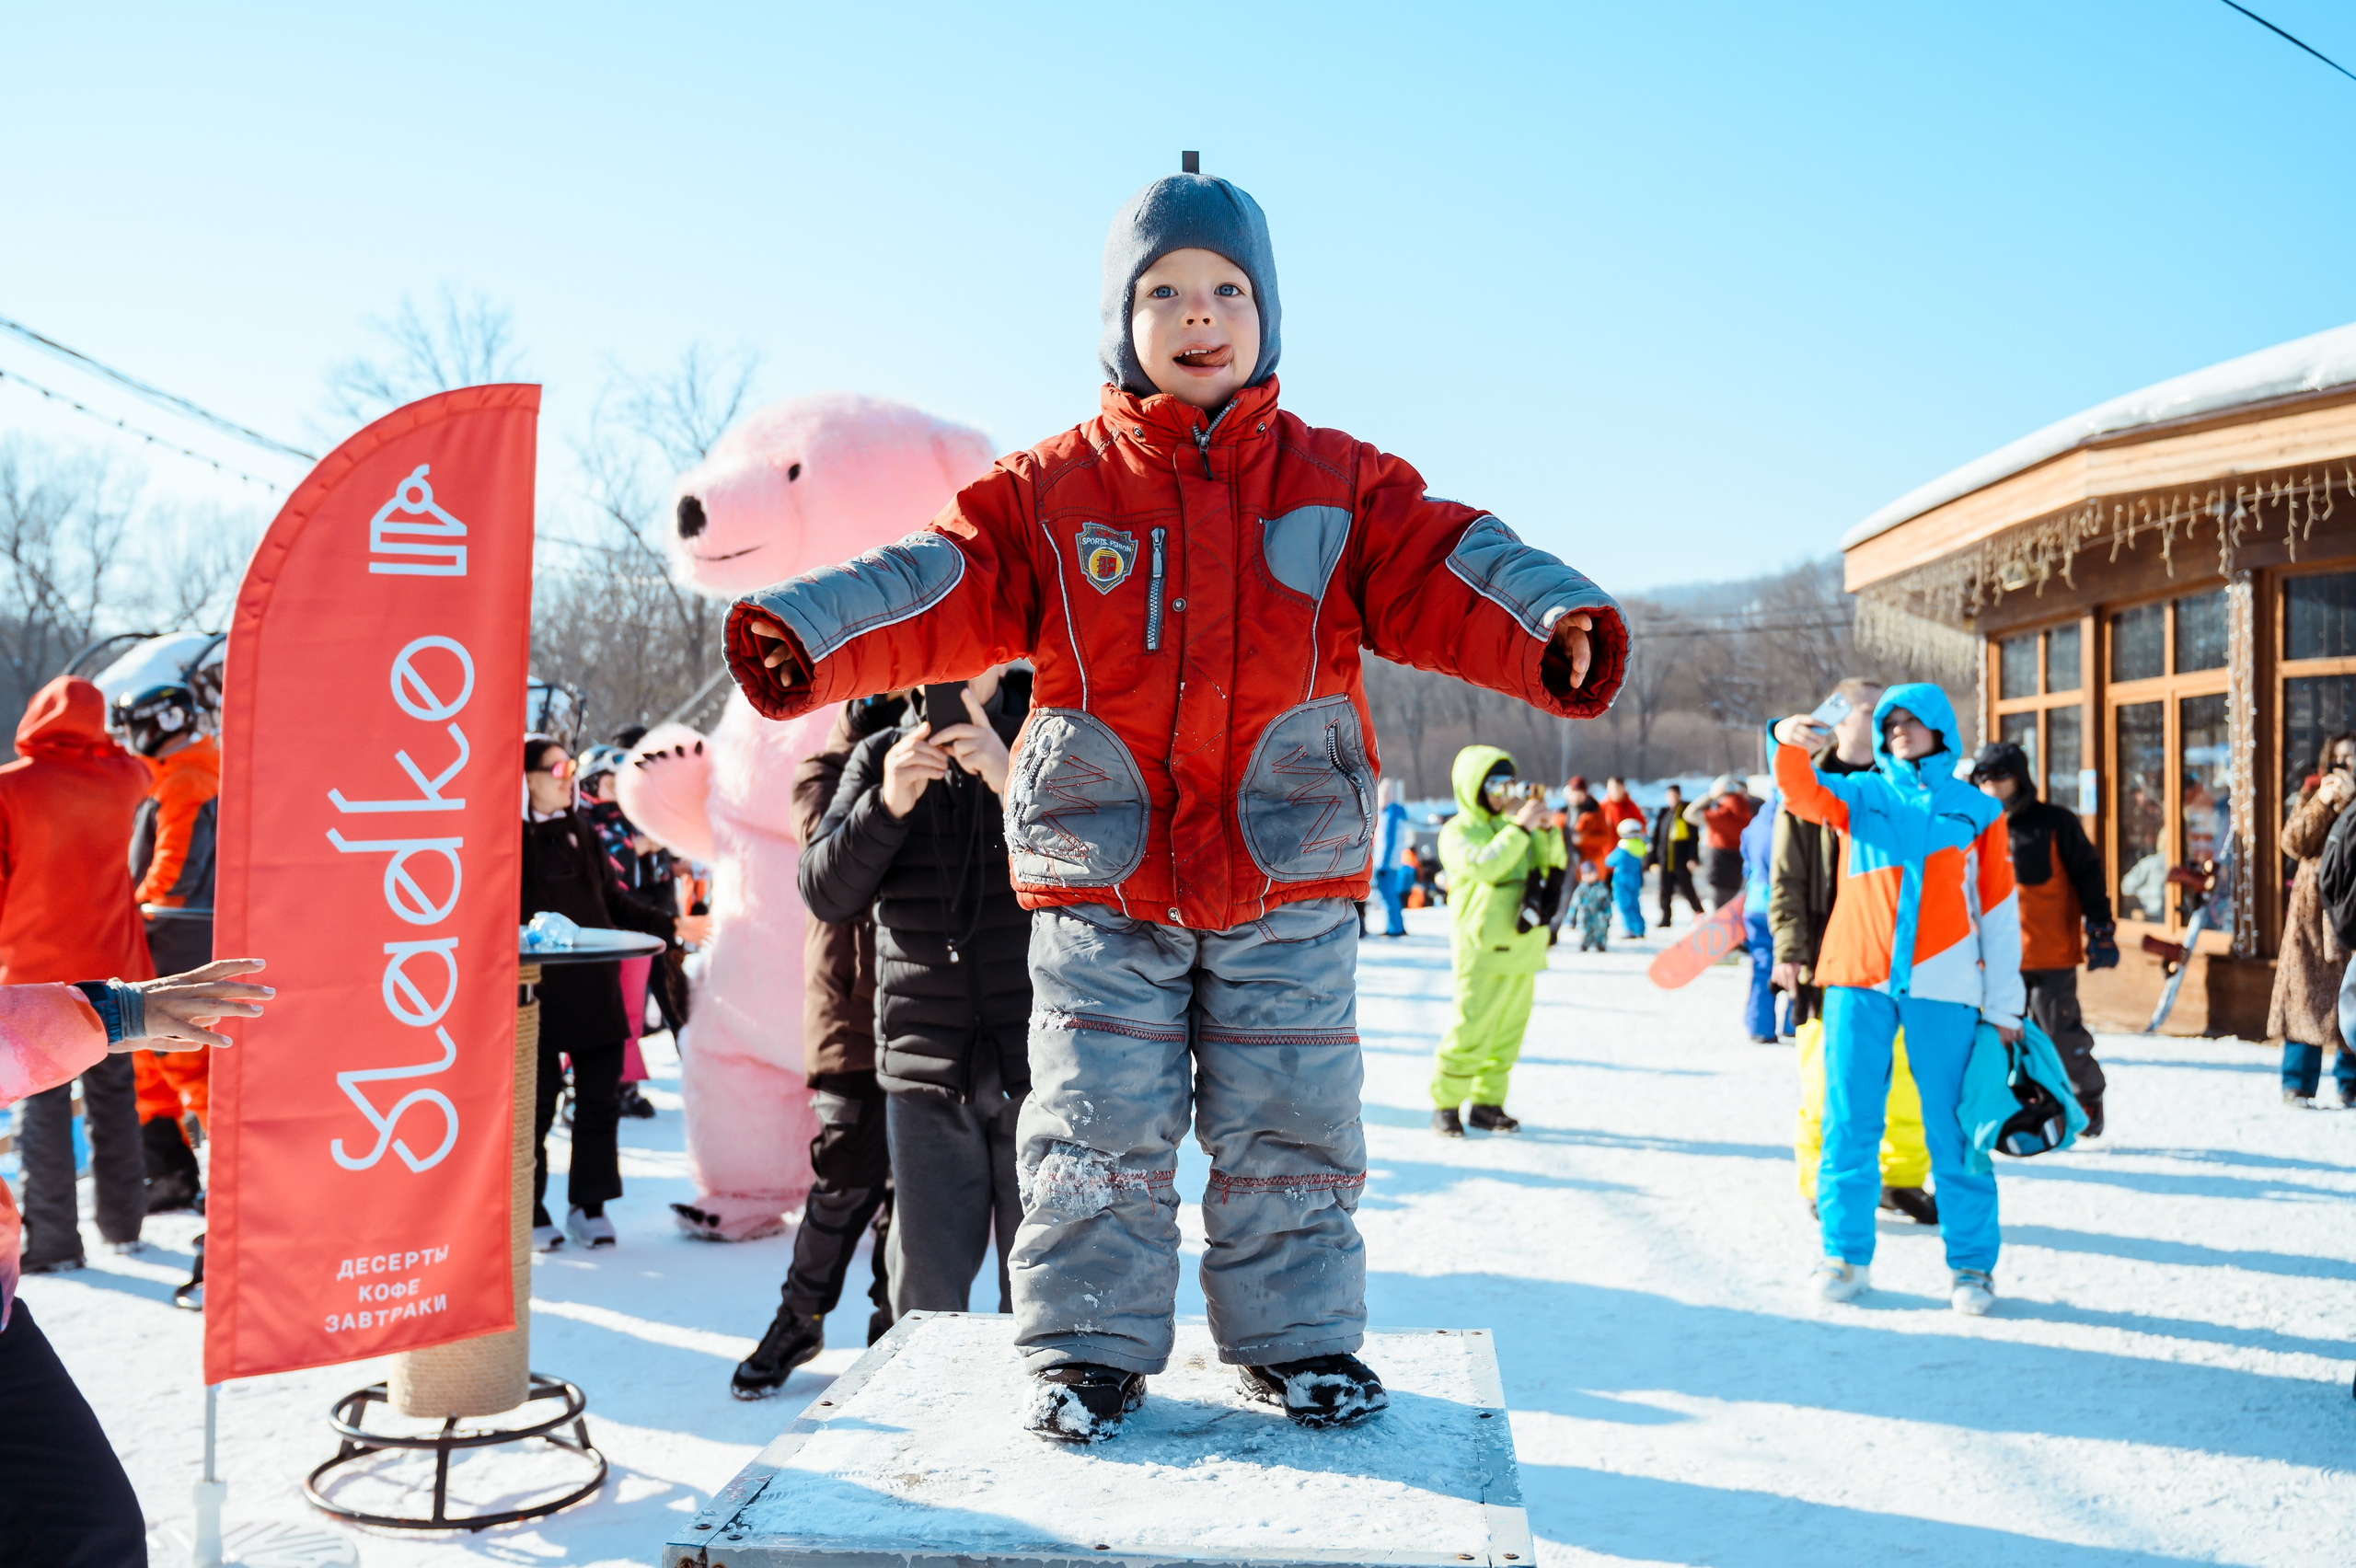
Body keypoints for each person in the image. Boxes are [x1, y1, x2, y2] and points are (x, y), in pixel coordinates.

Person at [729, 167, 1624, 1439]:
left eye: (1226, 290)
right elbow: (935, 580)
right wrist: (808, 632)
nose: (1197, 314)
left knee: (1293, 1122)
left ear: (1267, 316)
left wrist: (1553, 620)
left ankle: (1300, 1338)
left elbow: (1450, 560)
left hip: (1285, 859)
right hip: (1107, 869)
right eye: (1163, 293)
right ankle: (1088, 1349)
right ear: (1119, 319)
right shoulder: (1051, 491)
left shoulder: (1343, 482)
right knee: (1095, 1123)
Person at [0, 958, 273, 1566]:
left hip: (71, 981)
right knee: (84, 1534)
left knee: (87, 1533)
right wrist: (108, 1010)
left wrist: (111, 1009)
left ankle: (120, 1217)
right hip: (59, 978)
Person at [1771, 685, 2021, 1316]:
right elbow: (1799, 792)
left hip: (1948, 987)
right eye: (1891, 723)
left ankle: (1971, 1269)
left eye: (1912, 721)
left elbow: (1998, 914)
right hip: (1858, 979)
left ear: (1941, 728)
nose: (1900, 731)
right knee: (1848, 1124)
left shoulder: (1977, 811)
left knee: (1956, 1133)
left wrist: (2004, 1007)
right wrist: (1786, 741)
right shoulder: (1863, 793)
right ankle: (1844, 1257)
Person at [800, 667, 1034, 1331]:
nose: (955, 664)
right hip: (923, 1067)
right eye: (934, 646)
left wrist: (1009, 776)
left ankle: (1046, 1429)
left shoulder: (1047, 727)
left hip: (1043, 1060)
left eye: (970, 643)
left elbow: (1103, 859)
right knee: (927, 1303)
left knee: (1046, 1296)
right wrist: (887, 803)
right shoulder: (879, 754)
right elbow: (824, 893)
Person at [733, 691, 907, 1399]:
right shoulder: (826, 772)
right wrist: (879, 761)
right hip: (853, 1019)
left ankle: (892, 1323)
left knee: (913, 1194)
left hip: (933, 1012)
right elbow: (825, 840)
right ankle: (798, 1319)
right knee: (843, 1181)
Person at [522, 736, 706, 1250]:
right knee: (536, 1107)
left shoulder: (583, 833)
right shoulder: (507, 840)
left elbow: (613, 904)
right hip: (535, 997)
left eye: (570, 766)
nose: (567, 776)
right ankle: (528, 1206)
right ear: (527, 778)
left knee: (600, 1102)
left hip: (594, 988)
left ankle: (589, 1205)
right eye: (556, 767)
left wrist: (672, 926)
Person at [1, 677, 156, 1274]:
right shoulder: (121, 780)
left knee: (40, 1106)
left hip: (33, 978)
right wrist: (103, 743)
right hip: (113, 972)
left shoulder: (9, 787)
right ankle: (124, 1226)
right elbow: (137, 763)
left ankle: (55, 1244)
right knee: (114, 1096)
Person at [1769, 679, 1934, 1228]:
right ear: (1839, 715)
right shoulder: (1806, 787)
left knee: (1908, 1080)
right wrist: (1790, 952)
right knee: (1826, 1080)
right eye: (1868, 708)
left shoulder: (1903, 783)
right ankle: (1820, 1180)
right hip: (1826, 956)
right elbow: (1786, 878)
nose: (1885, 721)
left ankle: (1902, 1178)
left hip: (1902, 957)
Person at [1969, 740, 2119, 1134]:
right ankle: (2026, 1102)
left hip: (2049, 952)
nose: (1991, 785)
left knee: (2057, 1031)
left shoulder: (2055, 821)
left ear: (2020, 777)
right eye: (1982, 777)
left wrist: (2100, 927)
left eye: (2000, 776)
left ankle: (2087, 1096)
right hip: (1991, 956)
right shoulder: (1972, 824)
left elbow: (2089, 875)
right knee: (1997, 1038)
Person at [112, 672, 221, 1213]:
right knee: (150, 1062)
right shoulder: (184, 772)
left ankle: (223, 1187)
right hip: (167, 939)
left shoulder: (187, 779)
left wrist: (127, 914)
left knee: (187, 1065)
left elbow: (172, 879)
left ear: (160, 725)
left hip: (174, 941)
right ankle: (172, 1176)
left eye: (134, 728)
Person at [1434, 749, 1566, 1128]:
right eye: (1494, 785)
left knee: (1508, 1032)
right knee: (1471, 1028)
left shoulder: (1512, 824)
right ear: (1473, 787)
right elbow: (1485, 865)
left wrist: (1545, 829)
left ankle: (1487, 1104)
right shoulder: (1457, 831)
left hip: (1522, 945)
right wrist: (1520, 828)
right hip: (1482, 949)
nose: (1502, 794)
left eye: (1508, 784)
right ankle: (1446, 1104)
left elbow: (1551, 863)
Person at [578, 745, 667, 1121]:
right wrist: (643, 845)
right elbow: (614, 860)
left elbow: (657, 866)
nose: (618, 791)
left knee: (631, 1010)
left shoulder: (627, 817)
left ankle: (625, 1084)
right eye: (611, 783)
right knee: (593, 1010)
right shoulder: (578, 819)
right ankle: (581, 1086)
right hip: (591, 930)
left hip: (629, 927)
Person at [2270, 732, 2356, 1106]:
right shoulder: (2313, 792)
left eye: (2354, 758)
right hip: (2310, 914)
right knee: (2302, 996)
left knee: (2350, 999)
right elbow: (2294, 843)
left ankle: (2350, 1082)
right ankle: (2297, 1082)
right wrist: (2325, 800)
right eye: (2340, 759)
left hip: (2350, 909)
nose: (2348, 766)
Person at [1738, 782, 1779, 1043]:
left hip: (1754, 902)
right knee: (1796, 965)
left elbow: (1746, 864)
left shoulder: (1754, 825)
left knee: (1762, 965)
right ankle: (1793, 1022)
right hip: (1783, 903)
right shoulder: (1793, 820)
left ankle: (1758, 1024)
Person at [1687, 775, 1755, 911]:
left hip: (1718, 868)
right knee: (1733, 909)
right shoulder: (1748, 813)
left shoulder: (1722, 815)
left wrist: (1711, 796)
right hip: (1738, 869)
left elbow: (1689, 814)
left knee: (1719, 911)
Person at [1646, 783, 1704, 928]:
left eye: (1675, 795)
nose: (1673, 798)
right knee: (1664, 891)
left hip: (1681, 860)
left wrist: (1692, 858)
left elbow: (1693, 839)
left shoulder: (1685, 812)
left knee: (1687, 890)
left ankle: (1700, 914)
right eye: (1670, 796)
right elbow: (1656, 838)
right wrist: (1652, 860)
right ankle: (1666, 918)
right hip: (1665, 860)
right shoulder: (1663, 814)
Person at [1371, 778, 1415, 939]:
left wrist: (1382, 864)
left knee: (1388, 895)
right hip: (1394, 861)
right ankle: (1396, 925)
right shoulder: (1395, 813)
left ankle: (1394, 927)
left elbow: (1388, 841)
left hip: (1387, 863)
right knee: (1392, 895)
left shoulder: (1390, 814)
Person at [1606, 818, 1646, 938]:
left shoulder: (1623, 848)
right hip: (1636, 880)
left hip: (1622, 881)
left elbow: (1609, 861)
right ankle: (1640, 928)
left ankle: (1630, 930)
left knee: (1624, 906)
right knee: (1635, 904)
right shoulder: (1641, 846)